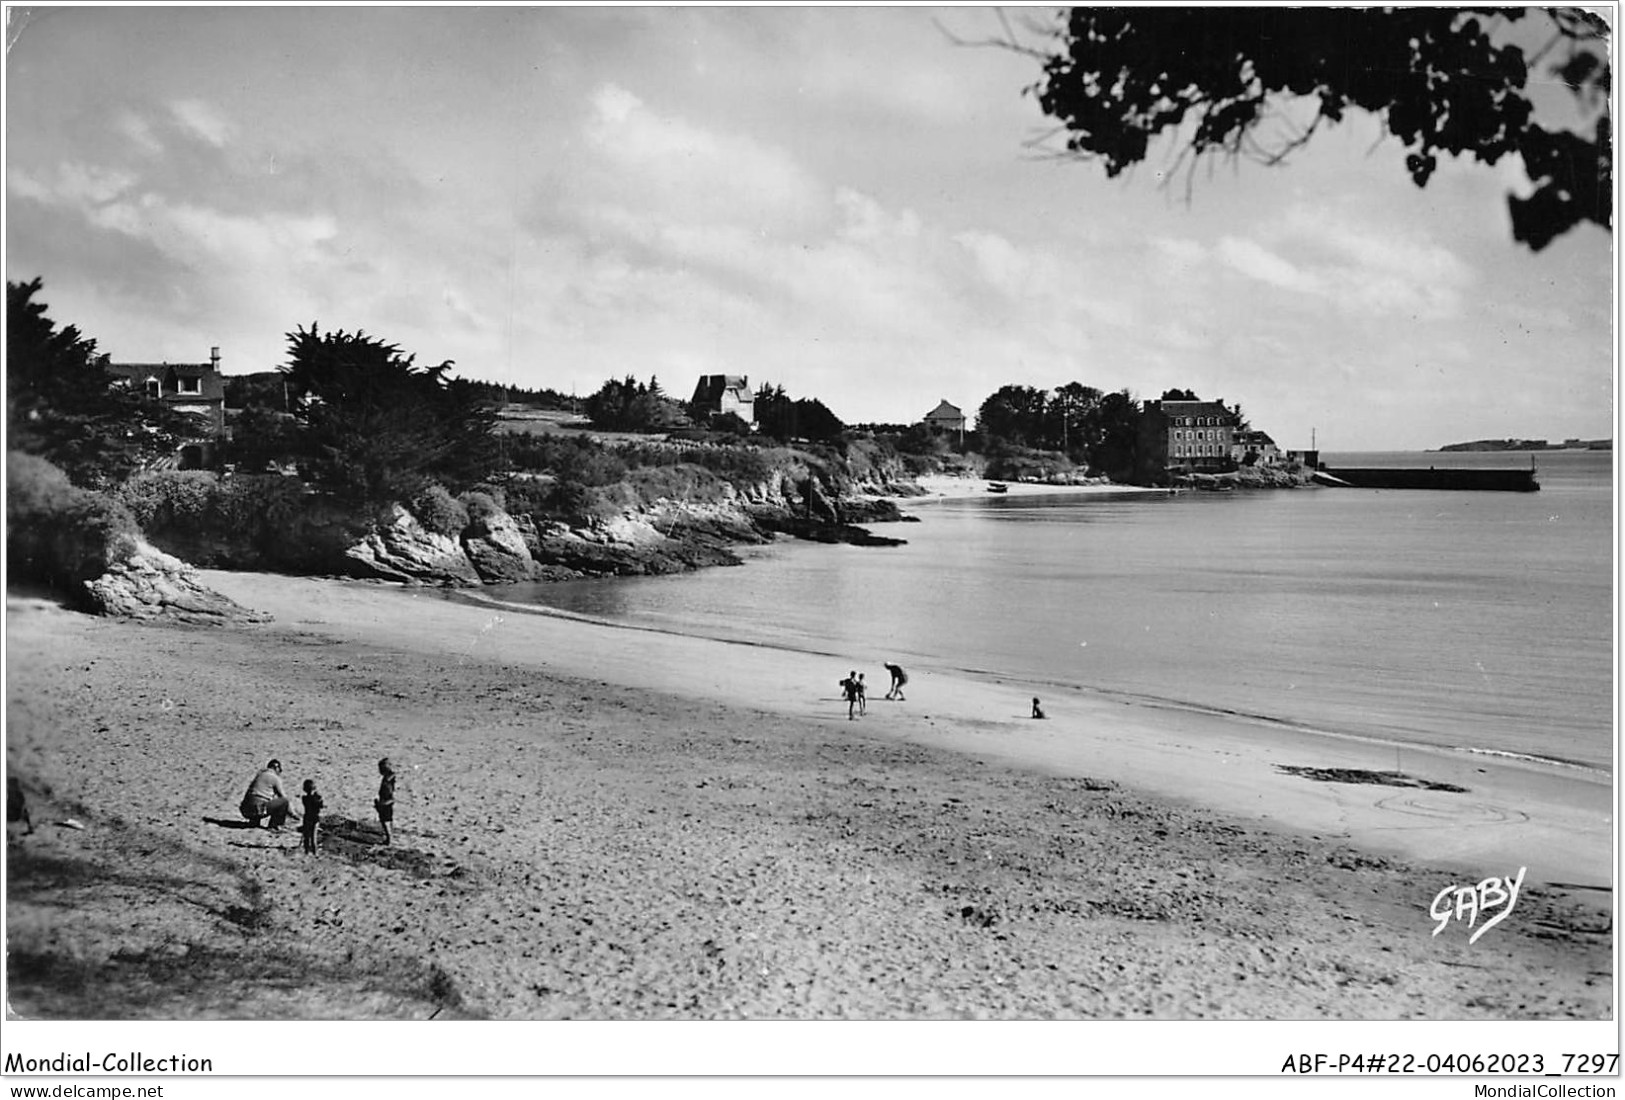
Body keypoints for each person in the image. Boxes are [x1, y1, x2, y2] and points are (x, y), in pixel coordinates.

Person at [240, 759, 294, 830]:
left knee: (259, 798)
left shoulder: (260, 775)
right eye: (279, 770)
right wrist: (293, 814)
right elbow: (283, 797)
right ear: (276, 768)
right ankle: (274, 826)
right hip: (258, 809)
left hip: (246, 809)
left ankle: (254, 821)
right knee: (283, 802)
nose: (279, 772)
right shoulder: (275, 778)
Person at [374, 757, 397, 845]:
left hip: (386, 801)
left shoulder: (387, 779)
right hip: (386, 800)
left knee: (385, 820)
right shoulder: (388, 778)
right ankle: (389, 837)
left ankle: (389, 838)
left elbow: (388, 790)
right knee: (387, 819)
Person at [300, 779, 324, 855]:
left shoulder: (304, 798)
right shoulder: (316, 798)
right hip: (315, 818)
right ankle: (315, 852)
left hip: (307, 818)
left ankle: (306, 851)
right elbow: (320, 805)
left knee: (306, 836)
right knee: (314, 837)